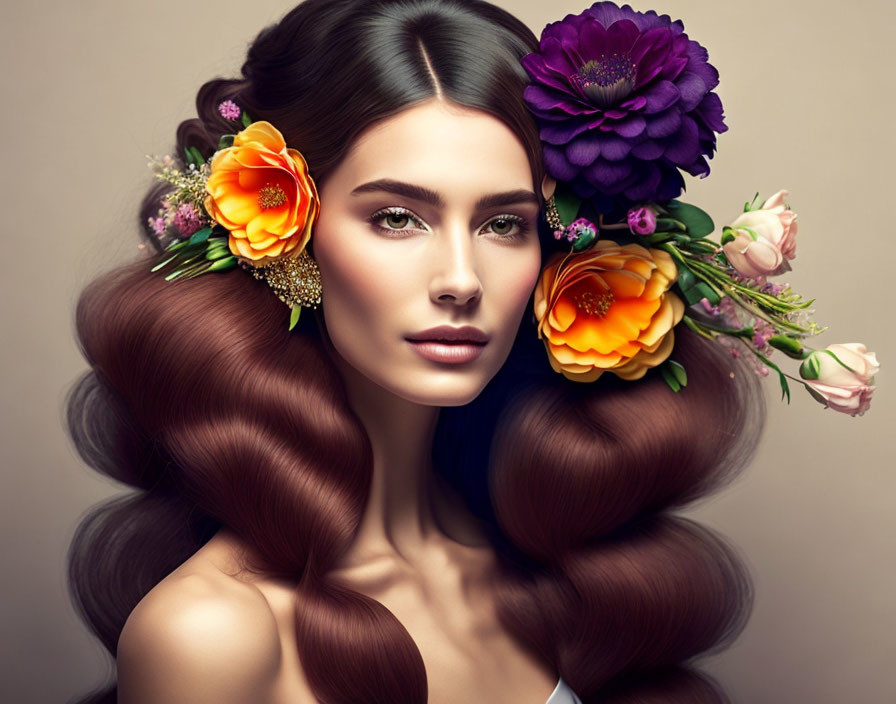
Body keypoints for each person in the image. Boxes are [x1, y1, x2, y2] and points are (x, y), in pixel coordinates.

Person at [66, 1, 790, 702]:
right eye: (396, 218)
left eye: (504, 224)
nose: (460, 280)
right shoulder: (211, 634)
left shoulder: (556, 573)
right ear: (285, 228)